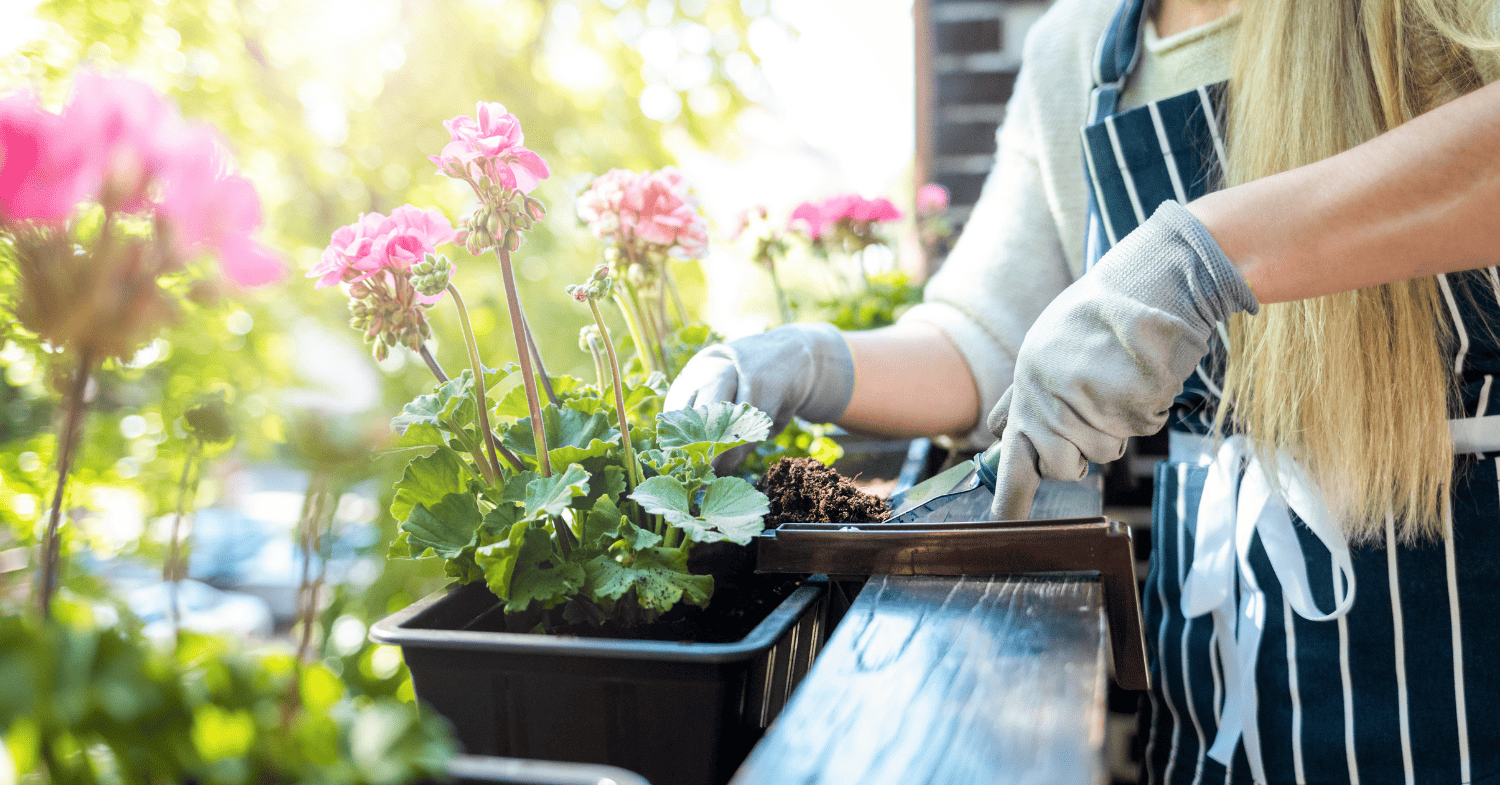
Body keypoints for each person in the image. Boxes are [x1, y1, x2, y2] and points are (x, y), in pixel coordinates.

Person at [667, 0, 1500, 782]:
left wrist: (1206, 257)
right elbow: (982, 340)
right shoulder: (1082, 46)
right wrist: (801, 361)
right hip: (1219, 677)